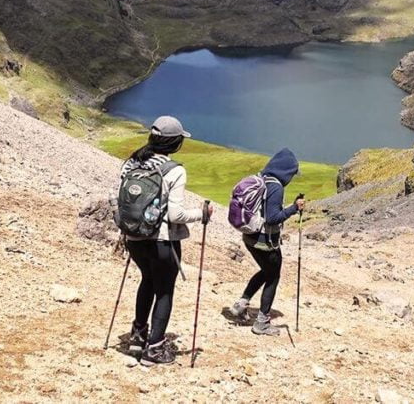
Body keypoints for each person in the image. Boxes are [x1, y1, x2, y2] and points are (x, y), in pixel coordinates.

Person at [122, 115, 213, 366]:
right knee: (164, 291)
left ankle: (137, 338)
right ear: (175, 143)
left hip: (134, 237)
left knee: (147, 281)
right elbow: (176, 215)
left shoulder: (131, 163)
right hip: (162, 241)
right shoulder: (174, 170)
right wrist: (201, 214)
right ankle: (155, 348)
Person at [229, 148, 305, 336]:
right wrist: (294, 208)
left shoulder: (262, 178)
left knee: (266, 271)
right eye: (292, 174)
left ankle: (241, 304)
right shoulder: (276, 187)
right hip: (265, 241)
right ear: (286, 171)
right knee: (273, 276)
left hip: (250, 237)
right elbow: (273, 218)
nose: (291, 178)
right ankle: (262, 322)